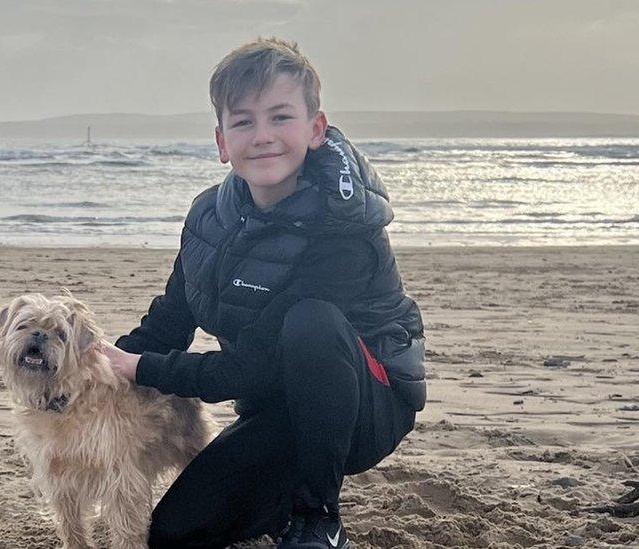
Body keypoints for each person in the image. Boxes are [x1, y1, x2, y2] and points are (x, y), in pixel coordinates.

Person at [100, 37, 425, 549]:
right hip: (275, 409)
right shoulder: (209, 216)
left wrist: (141, 370)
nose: (263, 136)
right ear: (222, 141)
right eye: (244, 121)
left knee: (310, 322)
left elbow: (252, 365)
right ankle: (275, 504)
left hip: (369, 405)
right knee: (176, 533)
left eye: (280, 117)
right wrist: (97, 364)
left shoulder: (345, 230)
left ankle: (318, 516)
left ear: (315, 129)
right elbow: (170, 321)